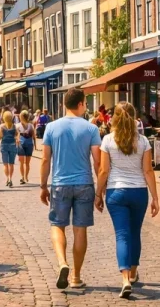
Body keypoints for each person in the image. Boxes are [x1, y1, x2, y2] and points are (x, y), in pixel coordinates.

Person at [95, 102, 160, 298]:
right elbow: (148, 171)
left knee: (122, 235)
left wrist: (98, 194)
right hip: (138, 191)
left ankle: (124, 280)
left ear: (113, 118)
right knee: (135, 233)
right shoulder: (142, 141)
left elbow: (104, 170)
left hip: (116, 192)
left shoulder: (107, 140)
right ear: (134, 118)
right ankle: (132, 274)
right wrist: (155, 198)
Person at [40, 89, 102, 290]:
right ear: (82, 104)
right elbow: (98, 162)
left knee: (57, 225)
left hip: (60, 183)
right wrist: (100, 190)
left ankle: (62, 263)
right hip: (84, 184)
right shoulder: (91, 129)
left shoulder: (51, 127)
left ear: (64, 104)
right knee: (80, 229)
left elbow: (45, 159)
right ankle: (76, 277)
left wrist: (43, 185)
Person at [0, 111, 19, 187]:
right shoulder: (14, 126)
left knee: (5, 164)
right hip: (12, 145)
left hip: (4, 145)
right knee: (11, 164)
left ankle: (7, 178)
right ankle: (10, 179)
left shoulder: (2, 126)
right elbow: (17, 135)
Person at [17, 110, 37, 184]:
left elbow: (33, 136)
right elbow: (15, 136)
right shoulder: (18, 125)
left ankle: (26, 176)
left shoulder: (30, 125)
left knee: (27, 162)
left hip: (28, 144)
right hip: (21, 144)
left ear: (22, 117)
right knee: (22, 162)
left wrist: (35, 145)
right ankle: (23, 177)